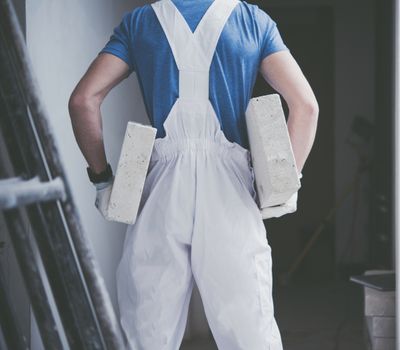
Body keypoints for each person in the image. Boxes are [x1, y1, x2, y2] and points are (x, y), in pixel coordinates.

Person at [68, 0, 318, 349]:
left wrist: (103, 180)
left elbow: (83, 100)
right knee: (249, 331)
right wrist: (283, 184)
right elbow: (306, 107)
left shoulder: (140, 23)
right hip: (230, 187)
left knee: (147, 331)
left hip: (161, 189)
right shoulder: (253, 22)